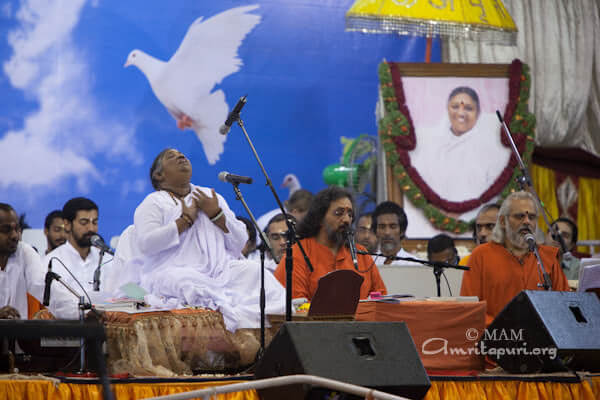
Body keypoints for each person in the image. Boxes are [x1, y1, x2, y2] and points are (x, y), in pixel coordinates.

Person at [111, 148, 285, 331]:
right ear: (158, 175)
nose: (181, 157)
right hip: (171, 271)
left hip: (219, 271)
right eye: (172, 157)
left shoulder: (210, 197)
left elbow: (240, 241)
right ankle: (225, 326)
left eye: (182, 155)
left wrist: (217, 215)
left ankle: (280, 326)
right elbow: (147, 244)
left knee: (256, 272)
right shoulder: (153, 202)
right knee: (186, 283)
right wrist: (183, 221)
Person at [460, 191, 569, 326]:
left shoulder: (547, 257)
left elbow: (565, 306)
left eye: (532, 217)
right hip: (497, 339)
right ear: (502, 221)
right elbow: (470, 307)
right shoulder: (481, 255)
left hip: (542, 340)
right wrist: (502, 330)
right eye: (519, 216)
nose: (527, 221)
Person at [273, 187, 386, 301]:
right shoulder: (298, 253)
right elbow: (297, 305)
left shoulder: (361, 254)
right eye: (339, 213)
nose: (347, 220)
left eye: (350, 214)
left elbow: (380, 297)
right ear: (320, 218)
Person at [409, 86, 511, 203]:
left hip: (478, 216)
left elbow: (495, 195)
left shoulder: (490, 149)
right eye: (455, 107)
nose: (461, 113)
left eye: (468, 108)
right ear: (447, 109)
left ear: (478, 113)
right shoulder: (432, 145)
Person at [0, 203, 77, 320]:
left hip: (16, 335)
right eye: (6, 230)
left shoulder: (24, 252)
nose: (15, 235)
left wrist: (81, 311)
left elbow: (45, 287)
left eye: (17, 229)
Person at [44, 198, 108, 295]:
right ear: (67, 224)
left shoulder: (107, 260)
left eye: (94, 222)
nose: (91, 228)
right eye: (84, 222)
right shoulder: (51, 263)